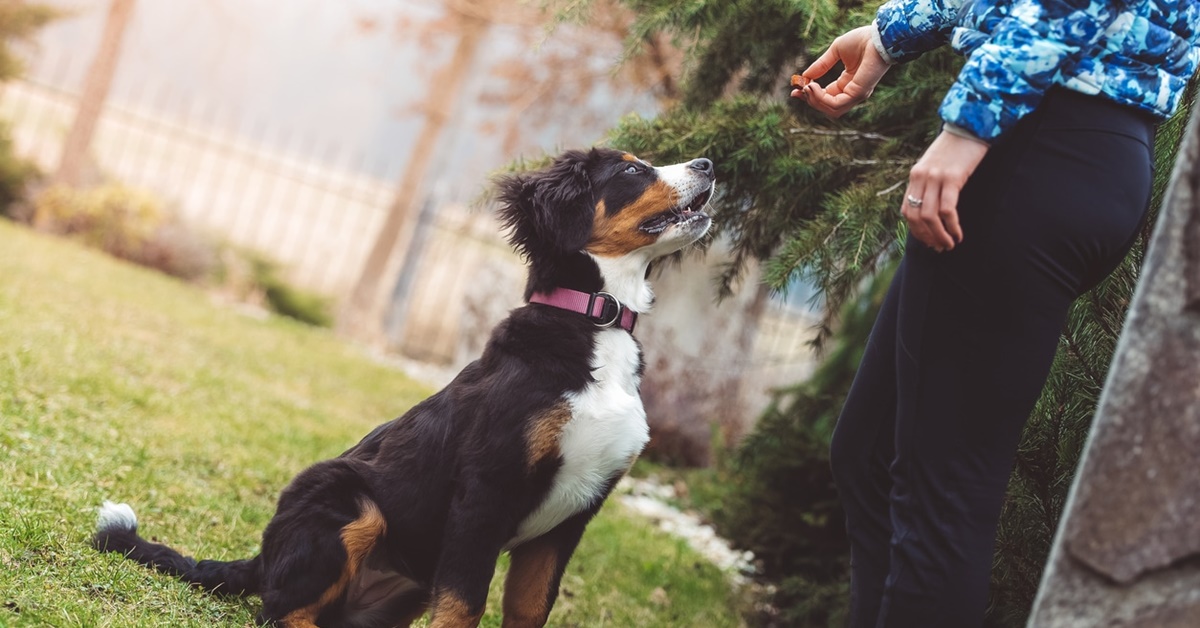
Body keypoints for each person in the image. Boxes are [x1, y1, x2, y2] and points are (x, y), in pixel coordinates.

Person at [793, 1, 1200, 626]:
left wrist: (972, 124)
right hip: (1085, 149)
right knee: (870, 457)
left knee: (943, 499)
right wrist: (888, 34)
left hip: (1037, 141)